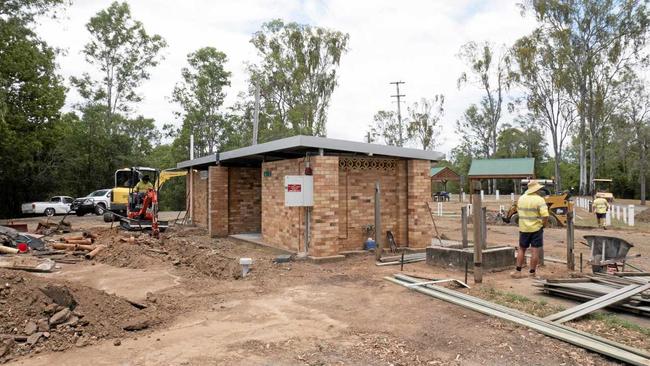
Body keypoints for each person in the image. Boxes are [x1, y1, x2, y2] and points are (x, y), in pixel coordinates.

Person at [511, 180, 549, 279]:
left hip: (524, 228)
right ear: (536, 189)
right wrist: (543, 225)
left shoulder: (521, 199)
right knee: (535, 251)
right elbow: (545, 215)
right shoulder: (539, 200)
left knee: (522, 249)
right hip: (536, 228)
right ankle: (532, 273)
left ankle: (518, 271)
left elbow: (519, 212)